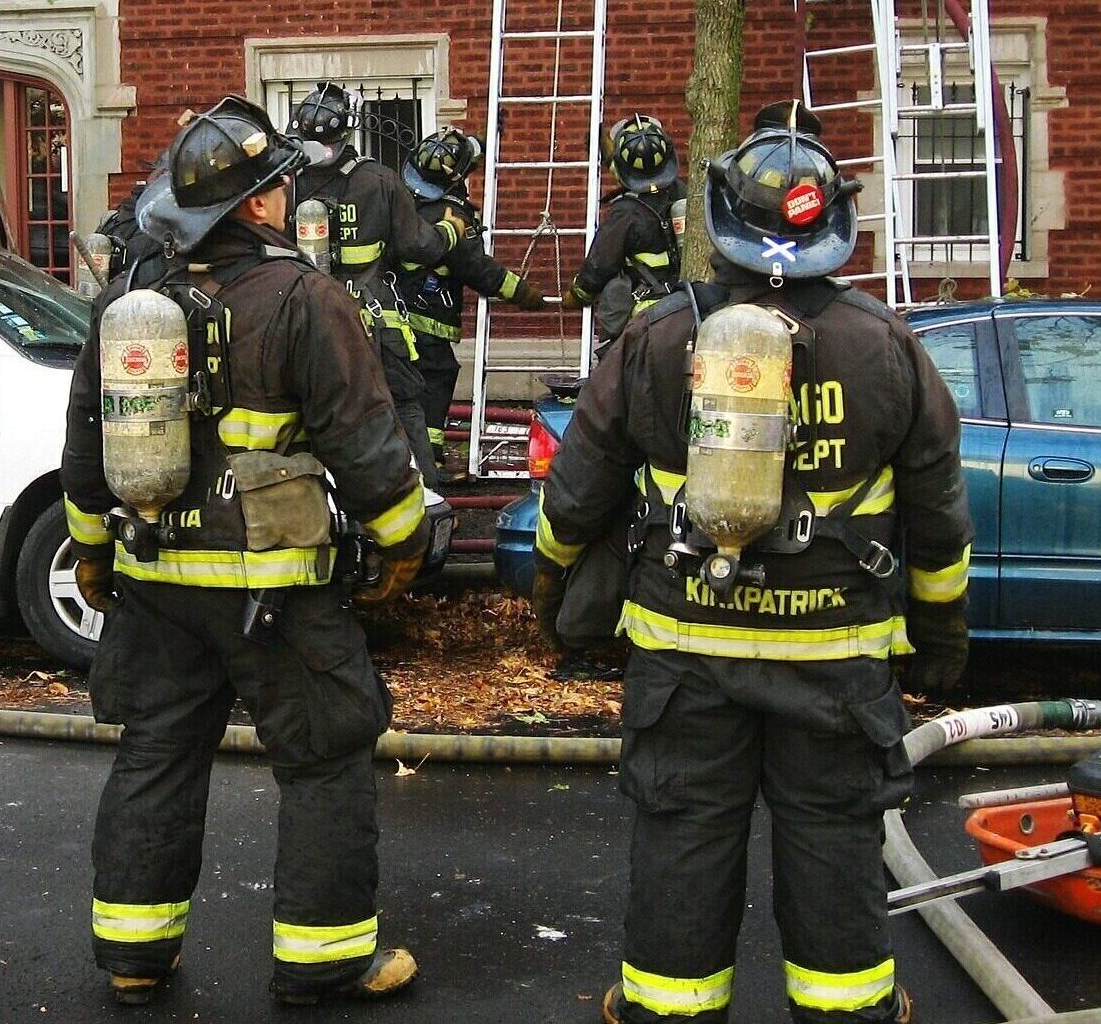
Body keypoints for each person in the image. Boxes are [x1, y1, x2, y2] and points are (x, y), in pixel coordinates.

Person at [532, 107, 973, 1024]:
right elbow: (939, 523)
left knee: (684, 837)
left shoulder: (656, 338)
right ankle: (847, 1011)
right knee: (833, 841)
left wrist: (553, 589)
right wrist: (940, 641)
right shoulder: (888, 346)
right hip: (836, 663)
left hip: (685, 656)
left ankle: (669, 1010)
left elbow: (575, 497)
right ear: (834, 225)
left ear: (722, 220)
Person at [62, 95, 430, 1007]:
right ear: (260, 203)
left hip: (156, 580)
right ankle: (322, 961)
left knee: (157, 753)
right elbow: (367, 444)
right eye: (280, 184)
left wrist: (93, 551)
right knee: (324, 756)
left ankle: (134, 956)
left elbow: (85, 447)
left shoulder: (129, 306)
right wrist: (404, 545)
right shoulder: (306, 299)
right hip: (277, 589)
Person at [291, 80, 469, 488]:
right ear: (348, 130)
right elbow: (420, 245)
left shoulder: (287, 184)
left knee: (314, 413)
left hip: (308, 322)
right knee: (405, 406)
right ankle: (427, 500)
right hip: (374, 318)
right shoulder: (379, 180)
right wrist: (451, 229)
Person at [398, 125, 548, 478]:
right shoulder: (452, 218)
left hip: (394, 314)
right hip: (427, 318)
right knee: (435, 381)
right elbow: (476, 268)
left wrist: (483, 138)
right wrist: (521, 292)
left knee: (406, 387)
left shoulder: (402, 202)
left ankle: (416, 460)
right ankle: (428, 464)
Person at [563, 114, 687, 350]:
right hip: (684, 305)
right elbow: (639, 171)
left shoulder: (626, 213)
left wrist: (578, 294)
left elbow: (600, 264)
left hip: (643, 320)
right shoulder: (683, 193)